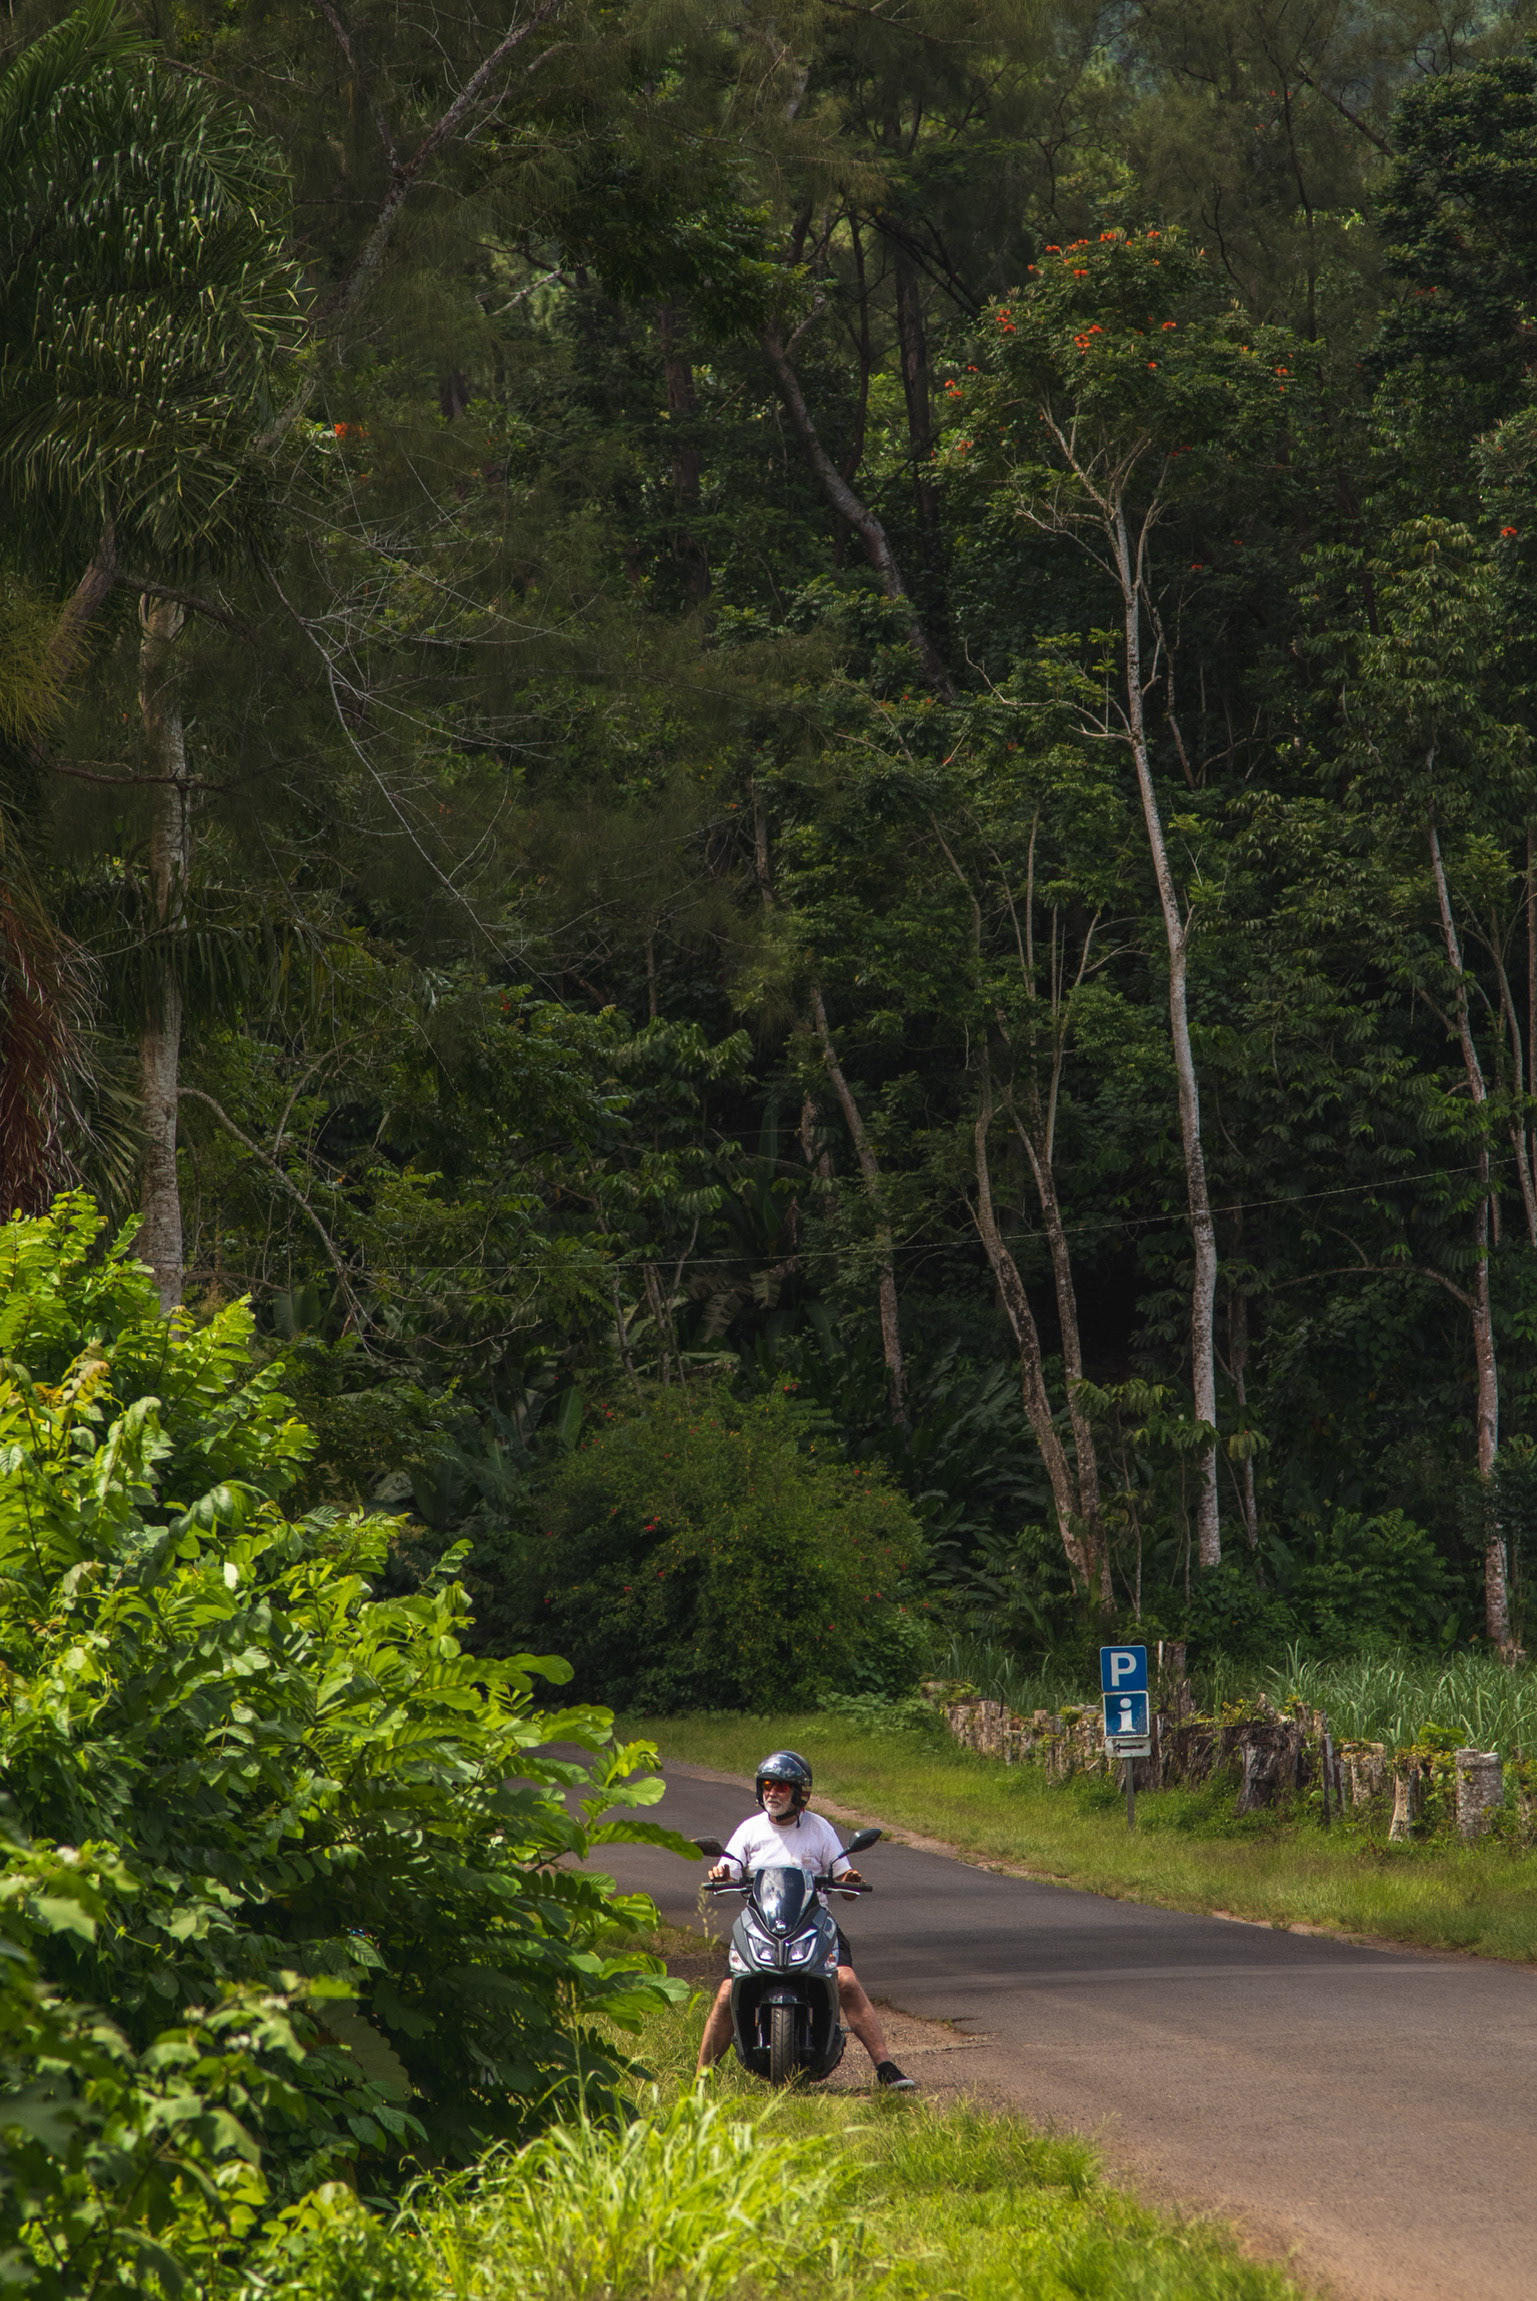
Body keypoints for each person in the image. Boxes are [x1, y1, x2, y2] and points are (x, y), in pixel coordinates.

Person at [694, 1749, 915, 2089]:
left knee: (845, 1981)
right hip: (760, 1921)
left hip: (814, 1920)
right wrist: (721, 1872)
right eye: (767, 1785)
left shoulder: (820, 1829)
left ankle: (885, 2066)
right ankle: (701, 2080)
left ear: (800, 1793)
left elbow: (846, 1883)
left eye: (782, 1787)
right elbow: (729, 1869)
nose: (772, 1792)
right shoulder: (749, 1830)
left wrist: (850, 1878)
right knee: (727, 1991)